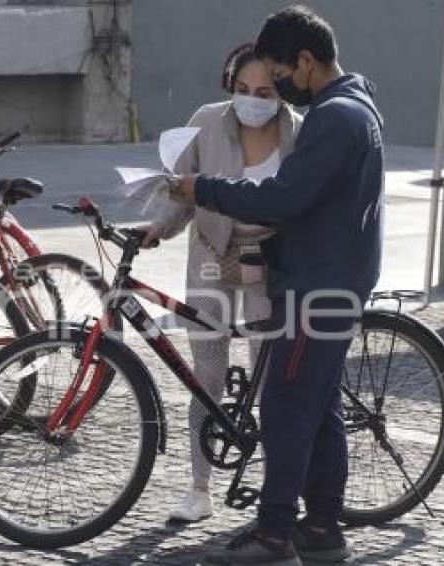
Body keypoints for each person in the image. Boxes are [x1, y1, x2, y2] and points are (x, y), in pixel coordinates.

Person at [170, 6, 384, 565]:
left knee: (287, 410)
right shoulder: (356, 105)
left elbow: (282, 198)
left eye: (279, 75)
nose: (278, 89)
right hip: (333, 282)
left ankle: (274, 533)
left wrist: (204, 189)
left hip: (317, 290)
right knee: (321, 409)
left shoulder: (335, 118)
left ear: (305, 62)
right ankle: (323, 527)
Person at [143, 43, 302, 523]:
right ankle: (199, 488)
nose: (252, 99)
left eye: (264, 91)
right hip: (211, 256)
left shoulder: (302, 133)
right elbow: (182, 188)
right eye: (242, 90)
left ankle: (277, 495)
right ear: (229, 87)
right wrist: (158, 226)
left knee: (270, 381)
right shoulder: (208, 121)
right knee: (206, 376)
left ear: (282, 92)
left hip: (270, 266)